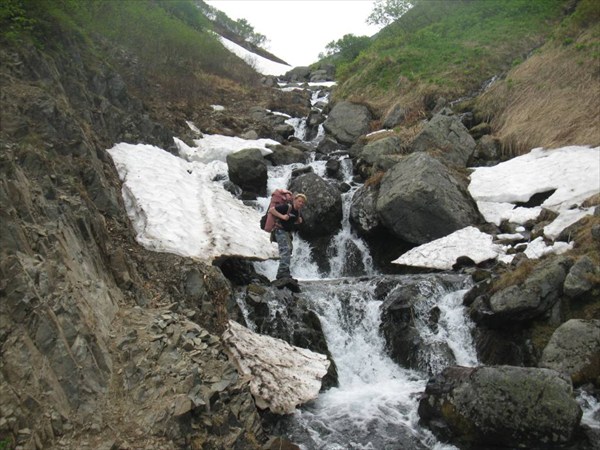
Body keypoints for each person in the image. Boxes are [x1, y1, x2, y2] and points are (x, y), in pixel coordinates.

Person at [269, 193, 307, 284]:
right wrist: (282, 216)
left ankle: (285, 271)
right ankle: (282, 273)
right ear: (295, 200)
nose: (301, 203)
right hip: (279, 231)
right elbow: (272, 210)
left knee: (289, 250)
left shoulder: (298, 212)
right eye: (299, 201)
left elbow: (294, 222)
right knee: (285, 250)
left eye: (302, 202)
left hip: (287, 233)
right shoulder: (287, 207)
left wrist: (298, 221)